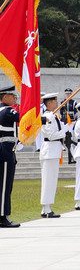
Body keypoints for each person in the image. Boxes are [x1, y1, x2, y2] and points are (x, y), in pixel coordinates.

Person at [39, 92, 71, 218]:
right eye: (54, 101)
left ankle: (48, 207)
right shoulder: (48, 116)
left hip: (54, 150)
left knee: (52, 180)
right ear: (49, 103)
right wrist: (64, 131)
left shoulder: (54, 116)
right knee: (48, 180)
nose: (57, 103)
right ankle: (45, 208)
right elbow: (51, 135)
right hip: (49, 151)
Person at [0, 86, 20, 228]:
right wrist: (44, 118)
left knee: (5, 184)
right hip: (5, 150)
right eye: (12, 96)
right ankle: (2, 216)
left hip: (6, 149)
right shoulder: (7, 111)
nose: (15, 99)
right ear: (5, 97)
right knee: (5, 185)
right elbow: (23, 118)